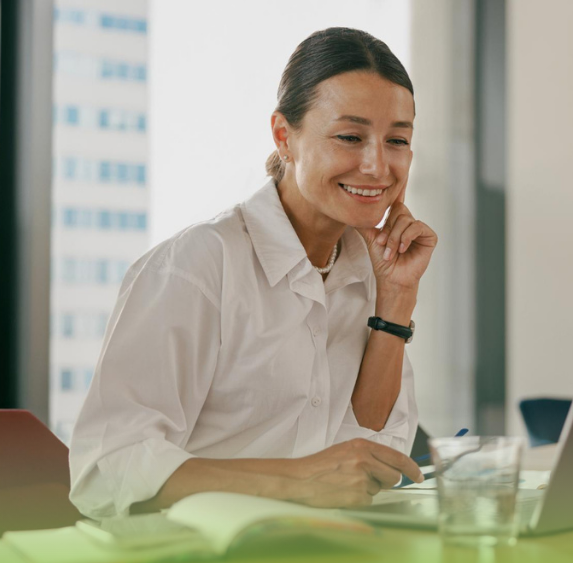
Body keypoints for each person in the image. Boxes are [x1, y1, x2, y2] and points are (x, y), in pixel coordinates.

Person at [68, 27, 436, 519]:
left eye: (397, 140)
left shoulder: (373, 271)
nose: (377, 165)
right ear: (285, 137)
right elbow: (106, 466)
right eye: (350, 136)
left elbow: (366, 455)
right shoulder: (197, 266)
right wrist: (296, 484)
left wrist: (395, 302)